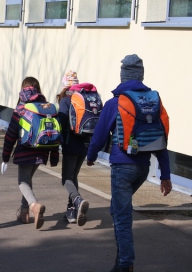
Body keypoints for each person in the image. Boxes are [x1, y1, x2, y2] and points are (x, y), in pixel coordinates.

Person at [86, 54, 172, 272]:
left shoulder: (116, 102)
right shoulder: (153, 102)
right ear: (141, 76)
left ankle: (125, 265)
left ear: (123, 76)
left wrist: (91, 155)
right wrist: (165, 175)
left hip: (122, 166)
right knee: (117, 210)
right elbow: (160, 138)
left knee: (122, 217)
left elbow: (100, 134)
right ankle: (120, 262)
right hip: (143, 167)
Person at [2, 77, 59, 230]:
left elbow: (11, 134)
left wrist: (5, 156)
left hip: (25, 150)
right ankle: (24, 213)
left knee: (22, 181)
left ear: (23, 90)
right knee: (28, 179)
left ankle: (34, 206)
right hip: (43, 150)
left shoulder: (21, 108)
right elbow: (55, 132)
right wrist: (54, 157)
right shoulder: (47, 107)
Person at [56, 71, 90, 226]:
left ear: (64, 85)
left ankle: (77, 200)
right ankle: (72, 210)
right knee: (73, 176)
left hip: (70, 144)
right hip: (84, 144)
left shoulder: (65, 100)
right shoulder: (84, 99)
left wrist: (57, 143)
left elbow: (62, 122)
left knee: (66, 178)